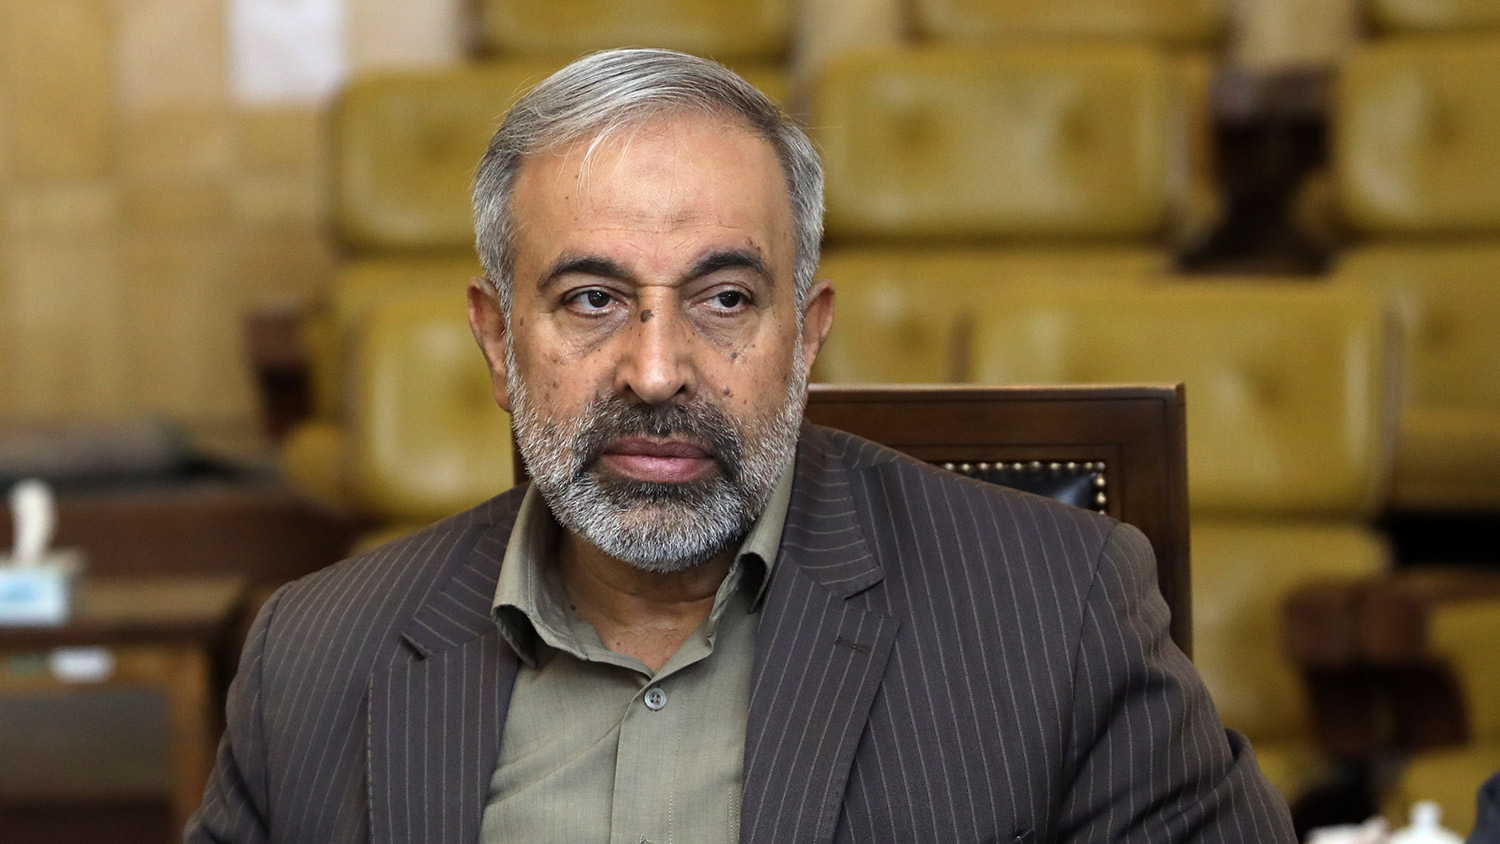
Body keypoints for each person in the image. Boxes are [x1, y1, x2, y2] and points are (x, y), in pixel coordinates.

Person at [187, 47, 1295, 843]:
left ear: (805, 337)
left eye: (724, 298)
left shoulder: (1056, 610)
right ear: (497, 340)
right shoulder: (314, 659)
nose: (656, 370)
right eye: (590, 299)